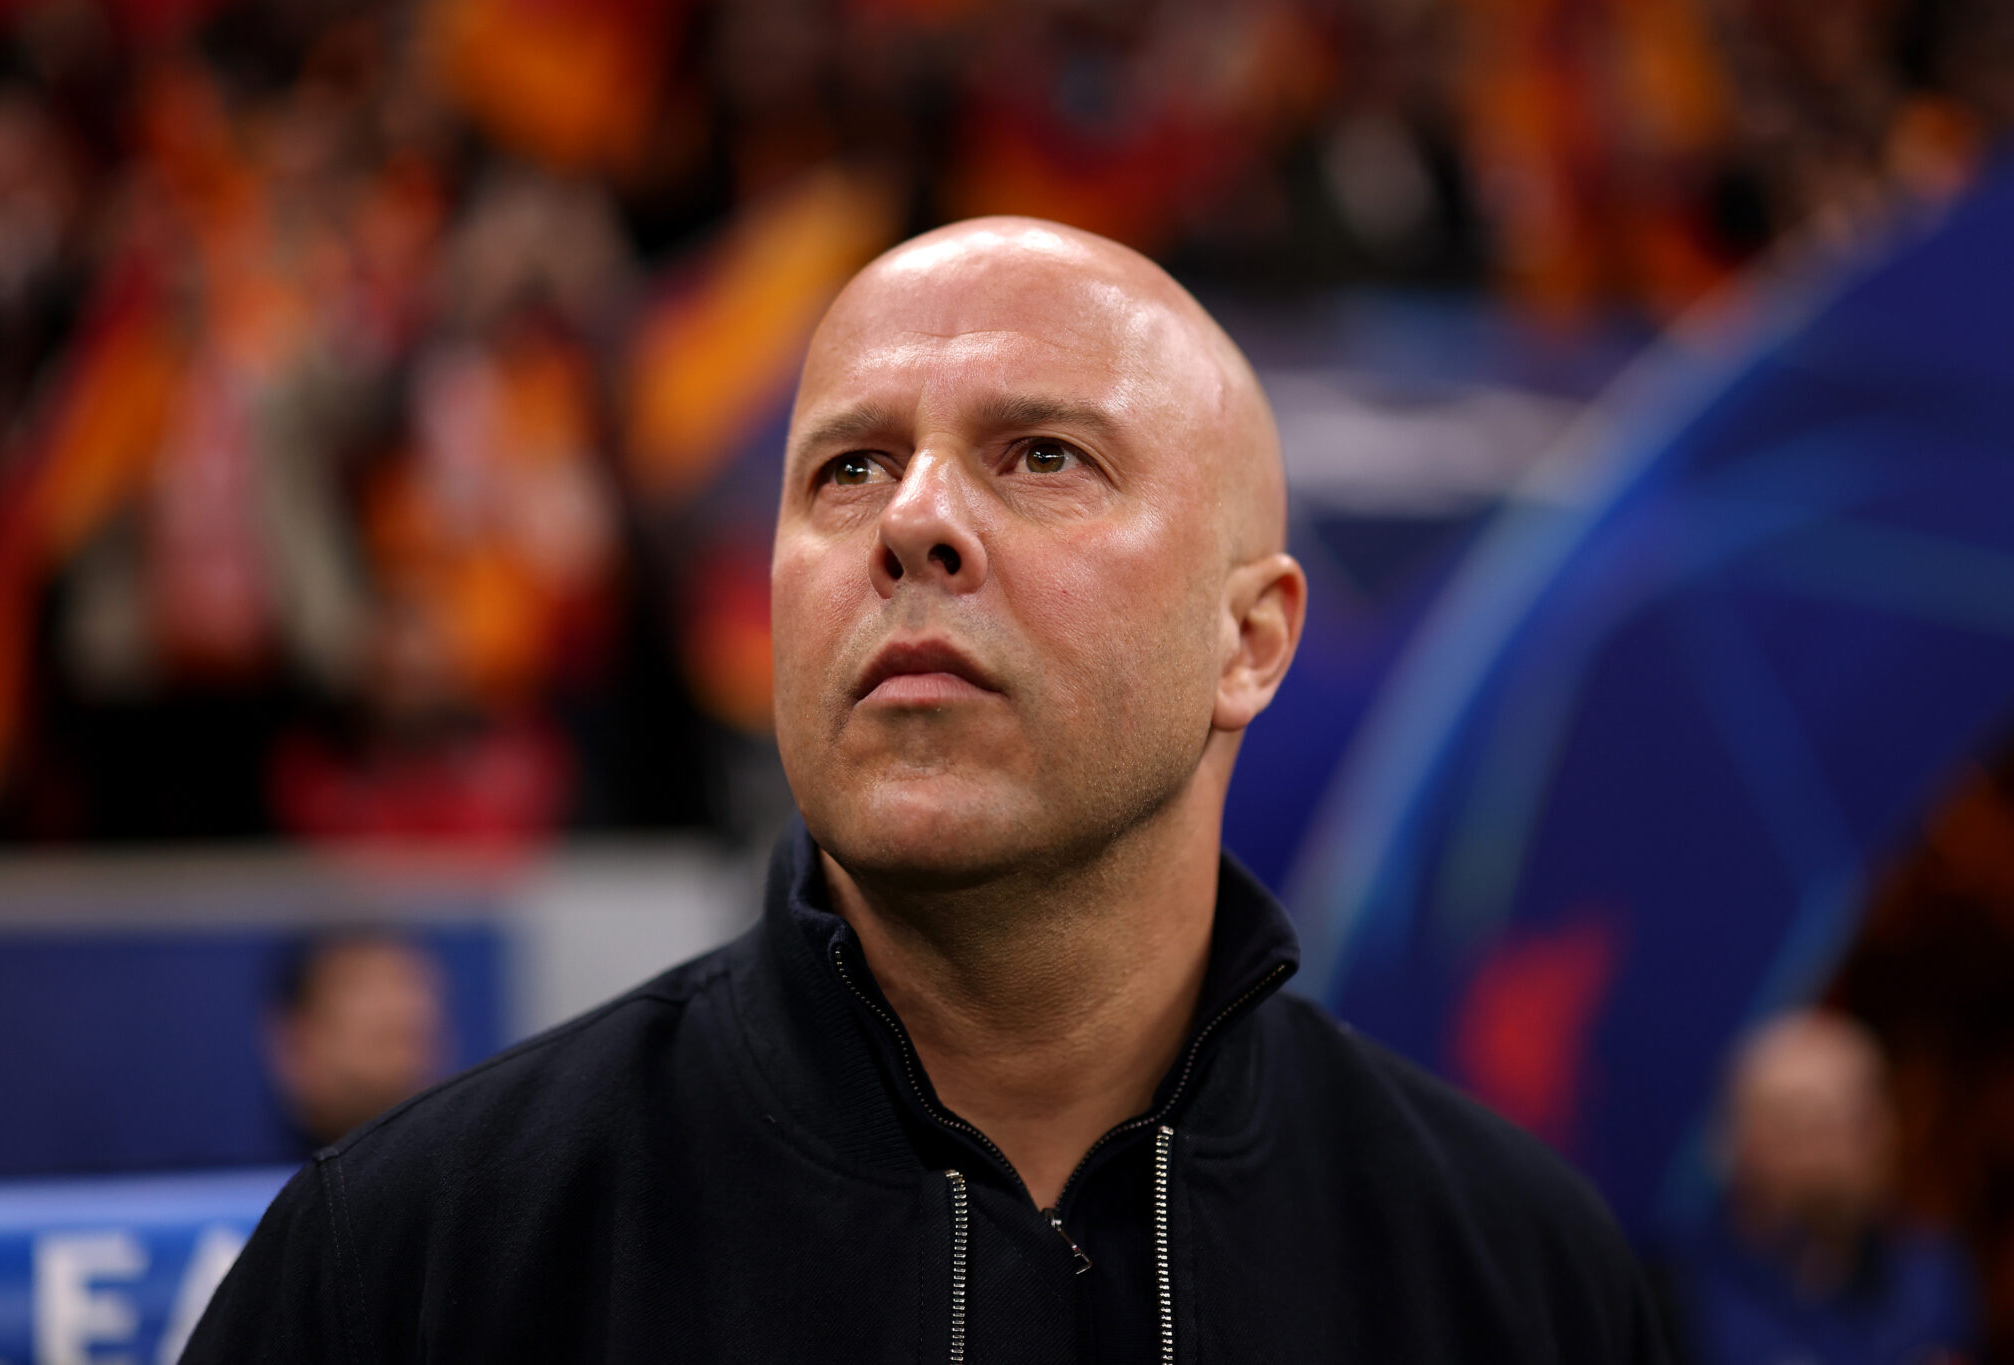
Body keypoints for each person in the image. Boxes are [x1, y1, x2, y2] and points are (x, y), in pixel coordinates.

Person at [186, 218, 1667, 1362]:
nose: (915, 523)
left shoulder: (1523, 1284)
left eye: (1040, 456)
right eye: (846, 470)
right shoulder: (414, 1265)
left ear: (1251, 637)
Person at [1669, 1010, 1977, 1365]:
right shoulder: (1680, 1293)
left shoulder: (1932, 1276)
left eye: (1863, 1117)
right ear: (1743, 1146)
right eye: (1810, 1122)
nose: (1845, 1148)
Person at [265, 930, 451, 1157]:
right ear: (297, 1042)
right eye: (363, 987)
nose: (404, 1006)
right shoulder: (240, 1183)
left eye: (410, 983)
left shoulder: (475, 1175)